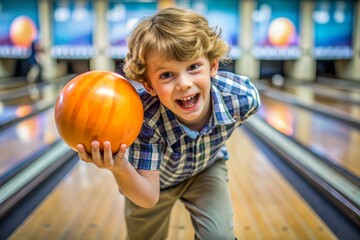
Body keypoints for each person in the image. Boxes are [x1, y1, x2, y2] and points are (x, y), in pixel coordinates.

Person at [77, 7, 261, 240]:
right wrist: (119, 167)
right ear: (149, 86)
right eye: (166, 75)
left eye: (193, 67)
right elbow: (148, 196)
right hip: (151, 181)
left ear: (213, 66)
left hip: (206, 170)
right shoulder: (146, 120)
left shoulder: (242, 98)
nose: (183, 84)